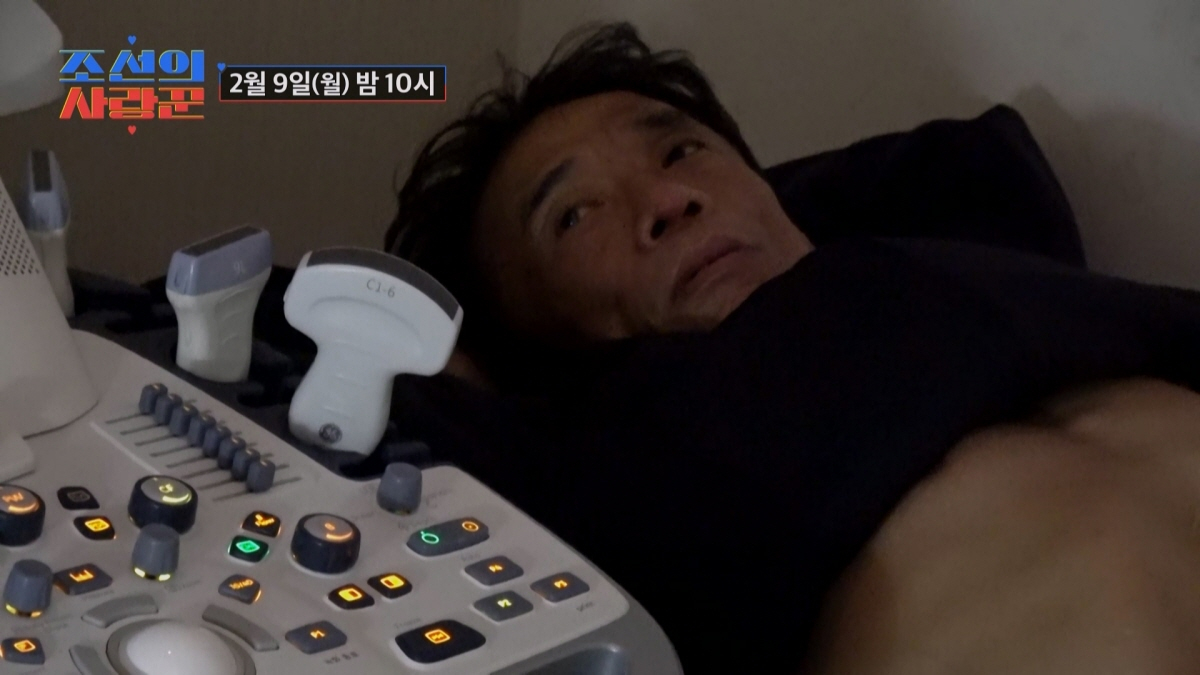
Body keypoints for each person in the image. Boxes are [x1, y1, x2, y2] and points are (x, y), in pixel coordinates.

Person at [383, 22, 1200, 674]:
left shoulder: (972, 251)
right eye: (574, 215)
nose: (669, 197)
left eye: (681, 150)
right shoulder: (595, 457)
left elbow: (974, 158)